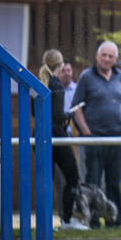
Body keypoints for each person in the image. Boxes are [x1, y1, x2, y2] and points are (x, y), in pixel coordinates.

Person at [71, 41, 121, 227]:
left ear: (116, 59)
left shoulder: (120, 78)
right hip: (94, 138)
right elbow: (76, 108)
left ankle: (114, 220)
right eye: (104, 55)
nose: (107, 59)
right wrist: (87, 132)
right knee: (93, 183)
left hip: (118, 138)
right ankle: (93, 221)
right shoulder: (86, 77)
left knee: (114, 182)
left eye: (111, 56)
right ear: (97, 56)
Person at [37, 49, 86, 230]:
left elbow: (37, 113)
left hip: (40, 135)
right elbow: (57, 116)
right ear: (60, 65)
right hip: (56, 135)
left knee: (45, 180)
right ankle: (67, 220)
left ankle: (45, 223)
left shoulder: (40, 83)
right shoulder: (56, 86)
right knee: (72, 176)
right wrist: (70, 113)